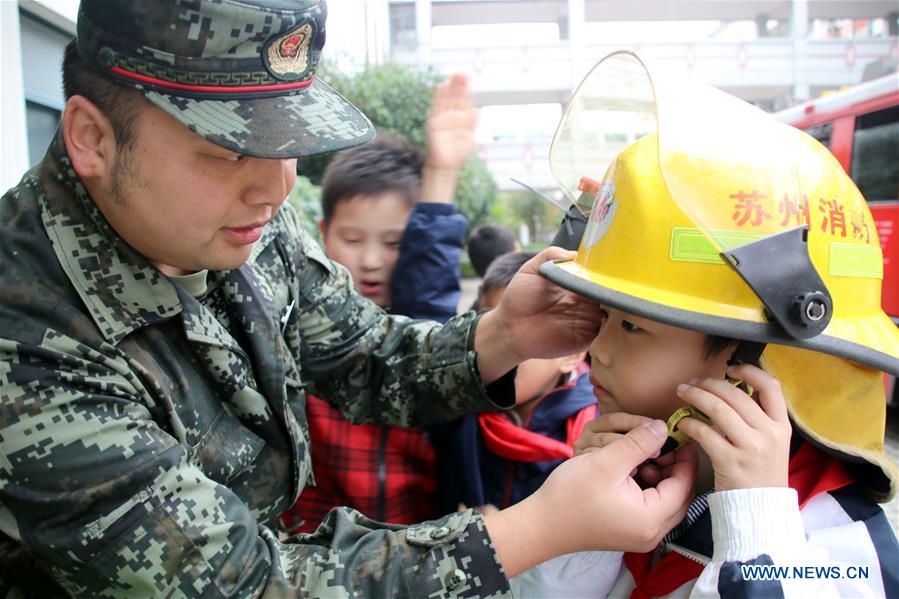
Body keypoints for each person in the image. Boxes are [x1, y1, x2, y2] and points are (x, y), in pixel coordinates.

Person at [0, 1, 697, 596]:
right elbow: (242, 582)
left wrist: (499, 336)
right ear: (92, 136)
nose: (275, 190)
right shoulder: (24, 338)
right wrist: (537, 528)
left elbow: (359, 352)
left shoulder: (234, 219)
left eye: (285, 144)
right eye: (227, 151)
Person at [515, 121, 899, 595]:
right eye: (605, 316)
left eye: (633, 326)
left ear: (748, 368)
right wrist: (580, 531)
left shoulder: (836, 535)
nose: (597, 350)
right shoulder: (630, 473)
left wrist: (757, 532)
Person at [282, 75, 475, 533]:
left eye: (393, 243)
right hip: (309, 554)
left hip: (413, 546)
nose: (371, 261)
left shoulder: (423, 339)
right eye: (352, 239)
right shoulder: (293, 323)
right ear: (323, 234)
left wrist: (441, 175)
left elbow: (428, 294)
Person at [435, 251, 595, 516]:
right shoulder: (460, 408)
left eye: (526, 333)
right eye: (493, 326)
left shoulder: (595, 435)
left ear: (572, 354)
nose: (505, 349)